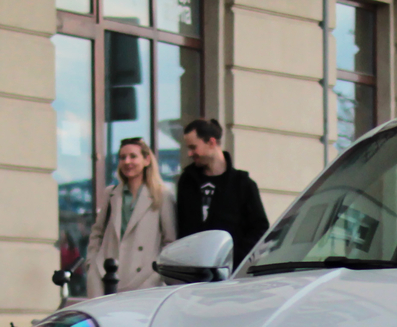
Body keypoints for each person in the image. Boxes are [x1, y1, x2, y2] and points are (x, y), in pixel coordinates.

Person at [79, 137, 176, 297]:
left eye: (133, 156)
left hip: (143, 280)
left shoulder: (162, 195)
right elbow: (97, 233)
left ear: (146, 160)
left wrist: (155, 274)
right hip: (105, 277)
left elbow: (169, 241)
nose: (127, 161)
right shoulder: (111, 194)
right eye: (122, 157)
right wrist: (92, 265)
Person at [173, 117, 270, 258]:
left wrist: (234, 257)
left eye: (193, 147)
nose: (189, 154)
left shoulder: (243, 184)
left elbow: (260, 229)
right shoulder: (186, 181)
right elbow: (181, 228)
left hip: (230, 273)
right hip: (194, 272)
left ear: (211, 142)